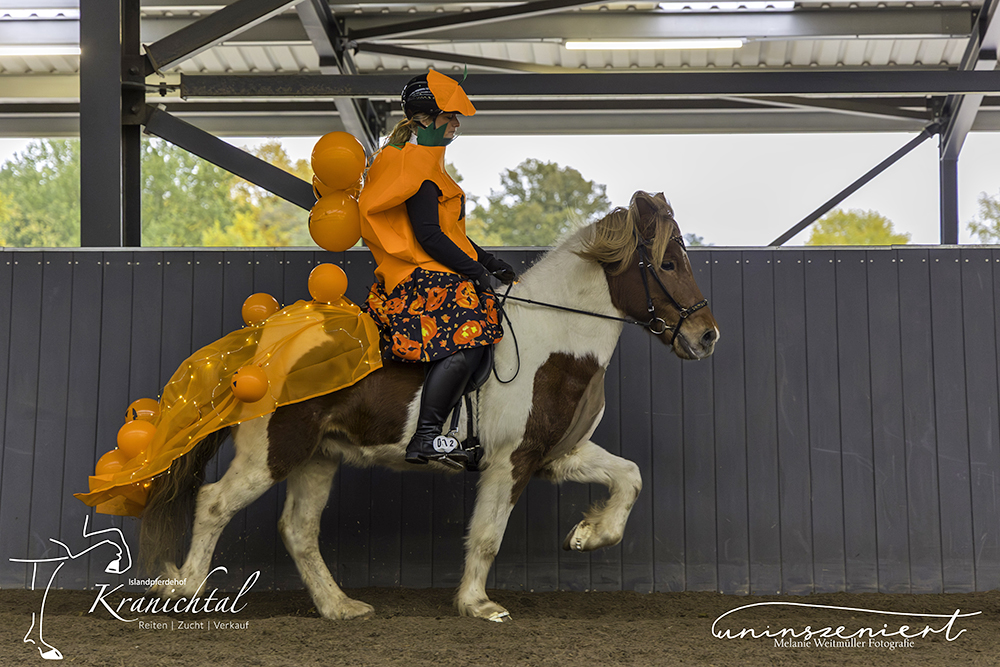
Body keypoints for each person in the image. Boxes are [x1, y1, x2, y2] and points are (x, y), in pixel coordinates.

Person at [358, 70, 516, 464]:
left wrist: (492, 263)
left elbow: (449, 233)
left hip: (438, 270)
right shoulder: (414, 168)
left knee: (486, 334)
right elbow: (429, 237)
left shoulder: (429, 165)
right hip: (419, 278)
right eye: (450, 117)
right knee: (471, 335)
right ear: (426, 119)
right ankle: (425, 436)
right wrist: (476, 273)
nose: (456, 125)